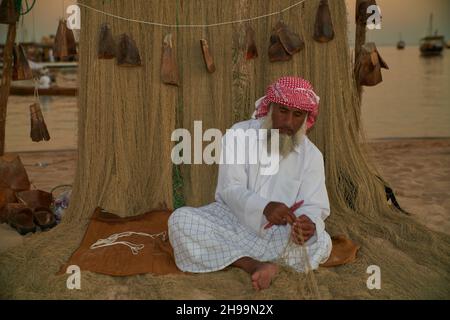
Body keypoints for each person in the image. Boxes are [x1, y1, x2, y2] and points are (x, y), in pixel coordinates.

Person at [168, 76, 332, 291]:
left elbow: (315, 204)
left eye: (298, 115)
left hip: (280, 232)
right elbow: (230, 188)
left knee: (322, 242)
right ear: (271, 107)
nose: (289, 122)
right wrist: (264, 207)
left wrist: (307, 224)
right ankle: (253, 264)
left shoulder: (312, 155)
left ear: (306, 118)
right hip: (233, 221)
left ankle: (247, 258)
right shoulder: (239, 134)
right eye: (283, 111)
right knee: (180, 220)